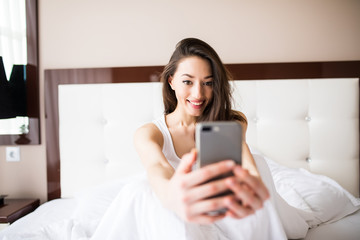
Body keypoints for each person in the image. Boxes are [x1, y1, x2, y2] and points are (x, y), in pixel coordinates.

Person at [92, 38, 287, 240]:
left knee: (261, 165)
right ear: (171, 81)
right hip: (177, 205)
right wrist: (172, 196)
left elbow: (246, 160)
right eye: (187, 81)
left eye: (208, 83)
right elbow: (158, 167)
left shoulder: (233, 121)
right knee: (140, 190)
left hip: (224, 203)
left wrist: (252, 180)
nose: (198, 94)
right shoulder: (149, 133)